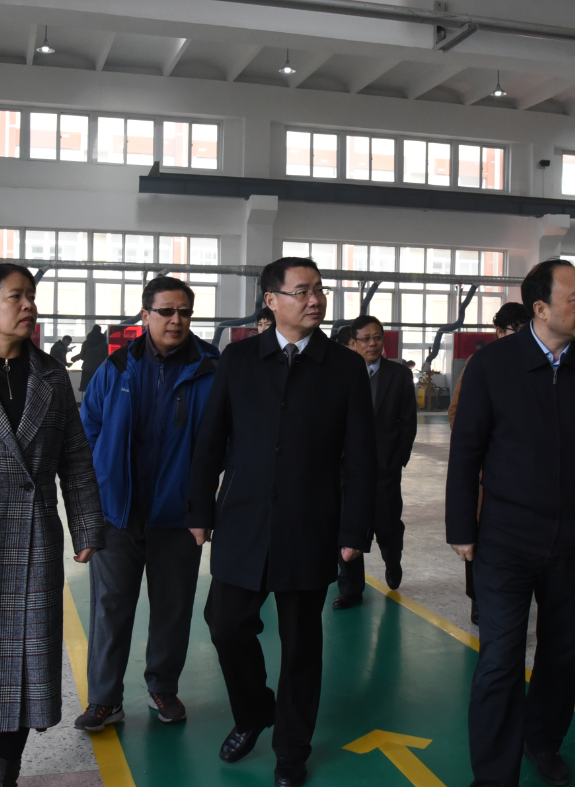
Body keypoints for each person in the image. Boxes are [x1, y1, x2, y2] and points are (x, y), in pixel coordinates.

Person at [187, 257, 376, 787]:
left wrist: (354, 530)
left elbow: (362, 457)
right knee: (225, 625)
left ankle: (292, 748)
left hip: (310, 524)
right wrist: (199, 509)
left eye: (319, 290)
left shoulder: (343, 367)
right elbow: (211, 439)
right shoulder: (239, 358)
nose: (315, 300)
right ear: (271, 300)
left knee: (301, 646)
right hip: (243, 519)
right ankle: (254, 712)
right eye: (302, 291)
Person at [446, 260, 575, 787]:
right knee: (500, 660)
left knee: (562, 655)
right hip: (505, 541)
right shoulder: (492, 365)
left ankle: (543, 741)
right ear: (541, 308)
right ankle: (493, 775)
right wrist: (461, 526)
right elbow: (467, 450)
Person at [0, 263, 104, 787]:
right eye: (15, 297)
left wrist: (86, 525)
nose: (29, 306)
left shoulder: (50, 377)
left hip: (33, 538)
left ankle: (6, 768)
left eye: (31, 296)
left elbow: (76, 458)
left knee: (26, 662)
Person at [76, 277, 219, 731]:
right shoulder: (117, 367)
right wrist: (99, 489)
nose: (176, 320)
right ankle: (104, 699)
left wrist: (202, 504)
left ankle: (163, 688)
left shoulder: (211, 369)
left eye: (184, 312)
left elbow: (224, 440)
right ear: (145, 315)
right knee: (110, 608)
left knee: (173, 608)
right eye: (166, 311)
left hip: (179, 515)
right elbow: (88, 429)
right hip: (118, 513)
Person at [448, 301, 530, 627]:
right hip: (492, 468)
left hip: (529, 474)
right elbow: (457, 414)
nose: (522, 337)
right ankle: (477, 598)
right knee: (480, 537)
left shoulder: (538, 363)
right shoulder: (480, 364)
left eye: (526, 330)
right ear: (499, 332)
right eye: (515, 331)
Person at [333, 315, 417, 608]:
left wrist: (397, 460)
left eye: (377, 337)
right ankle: (351, 589)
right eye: (366, 338)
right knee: (347, 526)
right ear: (353, 342)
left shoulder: (399, 375)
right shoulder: (339, 374)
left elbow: (408, 423)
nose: (372, 343)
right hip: (345, 467)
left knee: (387, 525)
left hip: (384, 468)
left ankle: (392, 559)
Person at [78, 324, 108, 393]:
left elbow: (82, 356)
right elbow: (106, 357)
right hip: (99, 369)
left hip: (87, 369)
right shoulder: (104, 344)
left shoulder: (86, 343)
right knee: (98, 389)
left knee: (86, 389)